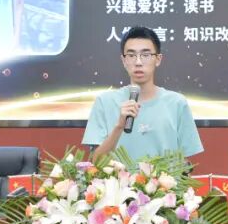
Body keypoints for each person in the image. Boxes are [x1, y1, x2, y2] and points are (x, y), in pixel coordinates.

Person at [82, 26, 203, 161]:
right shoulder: (104, 102)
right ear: (124, 60)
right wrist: (119, 126)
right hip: (119, 176)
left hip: (163, 175)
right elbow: (96, 161)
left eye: (145, 55)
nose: (138, 62)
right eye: (131, 55)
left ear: (158, 59)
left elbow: (186, 161)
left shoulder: (177, 103)